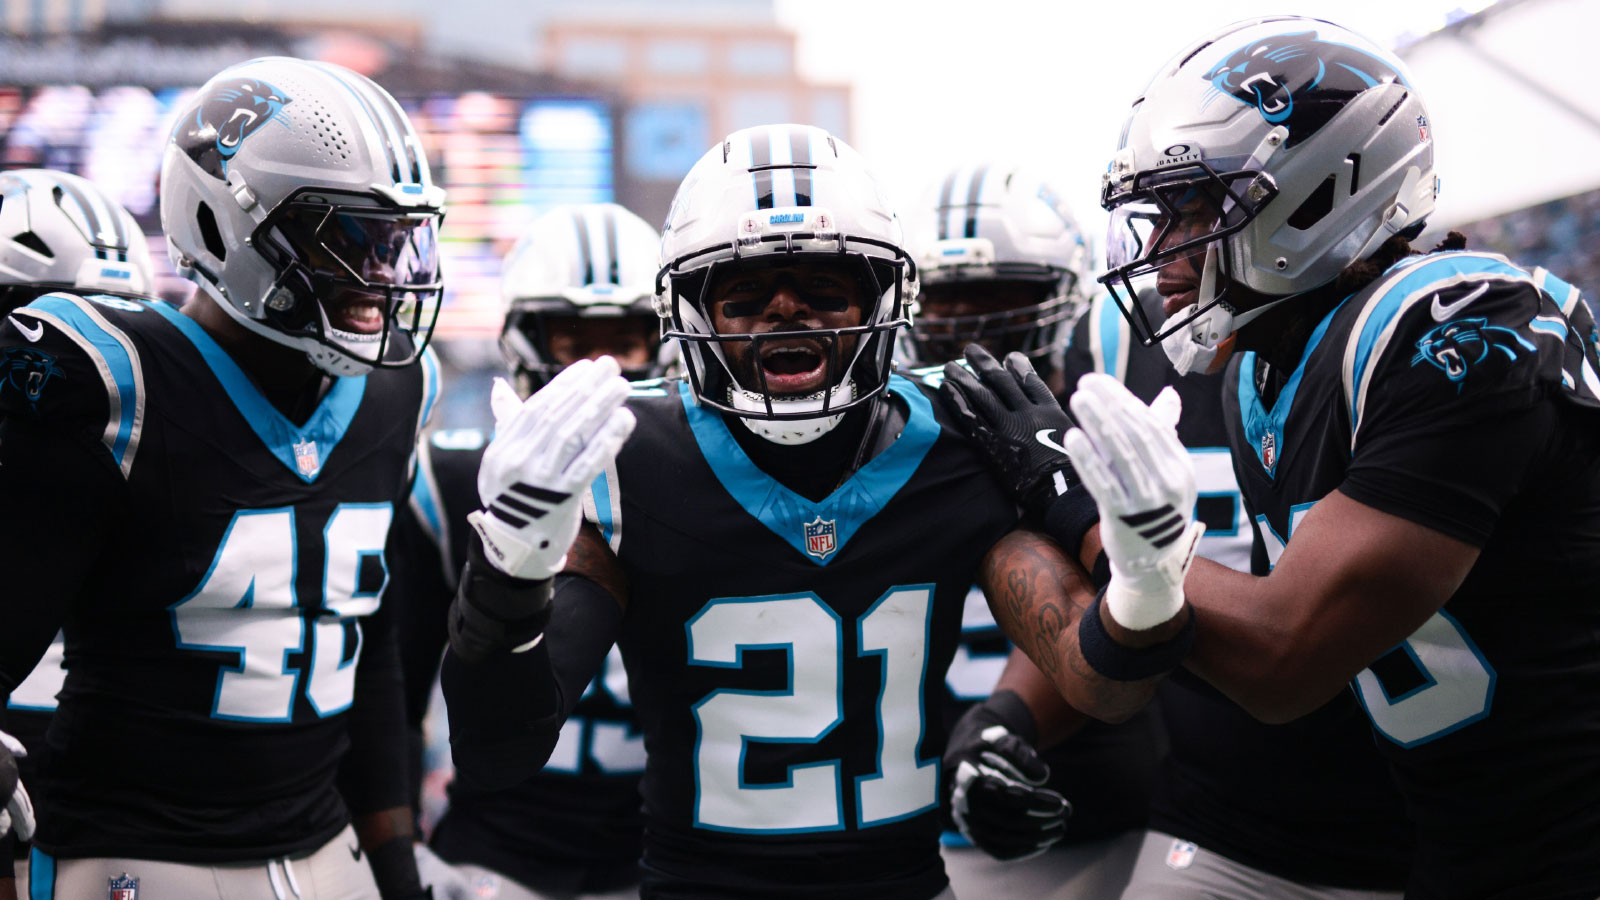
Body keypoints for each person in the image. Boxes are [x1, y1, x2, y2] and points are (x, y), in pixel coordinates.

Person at [941, 16, 1600, 899]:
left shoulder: (1463, 325)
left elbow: (1283, 658)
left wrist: (1073, 502)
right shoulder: (1265, 363)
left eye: (1193, 208)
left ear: (1321, 192)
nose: (1160, 249)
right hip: (1460, 837)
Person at [436, 124, 1102, 899]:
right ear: (692, 310)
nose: (787, 310)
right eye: (745, 294)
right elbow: (497, 751)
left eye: (825, 289)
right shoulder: (630, 457)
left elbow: (1106, 676)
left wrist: (1085, 508)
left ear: (884, 297)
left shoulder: (958, 438)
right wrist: (507, 568)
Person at [0, 57, 447, 899]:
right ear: (222, 220)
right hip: (136, 857)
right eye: (346, 239)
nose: (381, 275)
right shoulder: (122, 382)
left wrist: (395, 859)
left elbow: (370, 646)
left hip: (329, 851)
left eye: (394, 242)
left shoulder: (397, 392)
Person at [900, 163, 1161, 899]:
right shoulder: (882, 441)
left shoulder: (1106, 421)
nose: (968, 326)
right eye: (946, 302)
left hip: (1099, 807)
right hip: (916, 823)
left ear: (1063, 298)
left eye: (999, 298)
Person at [391, 202, 664, 900]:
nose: (597, 370)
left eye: (625, 342)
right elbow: (395, 689)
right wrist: (398, 844)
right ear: (520, 341)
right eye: (574, 340)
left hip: (664, 856)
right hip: (497, 855)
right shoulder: (454, 478)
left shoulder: (697, 481)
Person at [0, 168, 160, 900]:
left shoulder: (147, 451)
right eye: (46, 326)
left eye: (118, 326)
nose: (81, 363)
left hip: (114, 825)